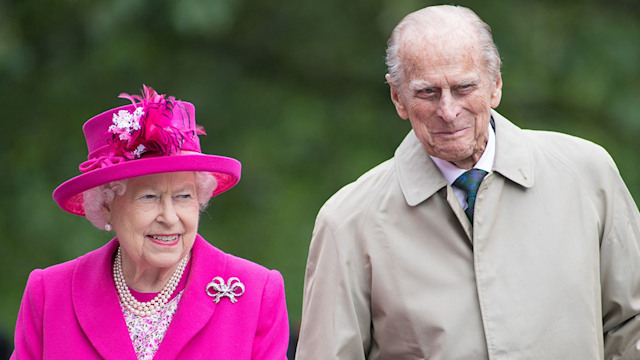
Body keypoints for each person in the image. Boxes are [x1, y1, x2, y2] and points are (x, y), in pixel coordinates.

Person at [296, 5, 640, 359]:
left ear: (496, 85)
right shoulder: (348, 222)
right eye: (427, 92)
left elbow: (632, 325)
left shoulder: (587, 175)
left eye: (464, 88)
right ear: (398, 98)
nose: (448, 111)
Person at [11, 85, 289, 359]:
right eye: (148, 197)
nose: (169, 218)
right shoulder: (50, 294)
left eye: (183, 196)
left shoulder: (256, 292)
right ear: (106, 204)